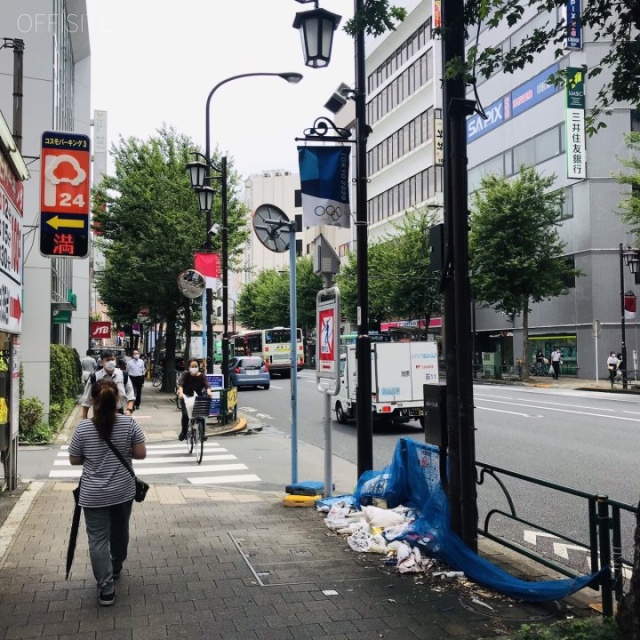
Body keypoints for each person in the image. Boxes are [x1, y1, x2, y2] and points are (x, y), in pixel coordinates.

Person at [68, 377, 146, 606]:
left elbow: (74, 459)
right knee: (120, 531)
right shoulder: (129, 424)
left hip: (93, 495)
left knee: (97, 540)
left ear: (93, 400)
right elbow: (141, 454)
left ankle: (106, 588)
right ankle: (117, 564)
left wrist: (91, 456)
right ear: (118, 400)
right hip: (123, 491)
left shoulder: (83, 428)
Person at [80, 350, 135, 419]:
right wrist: (84, 419)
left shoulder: (123, 375)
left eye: (112, 359)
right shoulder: (95, 377)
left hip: (119, 412)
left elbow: (130, 394)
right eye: (107, 360)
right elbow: (86, 400)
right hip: (100, 414)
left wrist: (129, 409)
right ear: (102, 362)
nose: (110, 362)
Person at [176, 359, 212, 441]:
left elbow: (207, 385)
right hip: (186, 397)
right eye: (192, 366)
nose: (194, 368)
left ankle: (202, 434)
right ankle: (184, 431)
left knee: (201, 415)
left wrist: (209, 392)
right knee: (185, 415)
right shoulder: (186, 375)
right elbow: (181, 384)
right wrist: (181, 393)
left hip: (197, 398)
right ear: (189, 367)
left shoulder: (202, 376)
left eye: (196, 366)